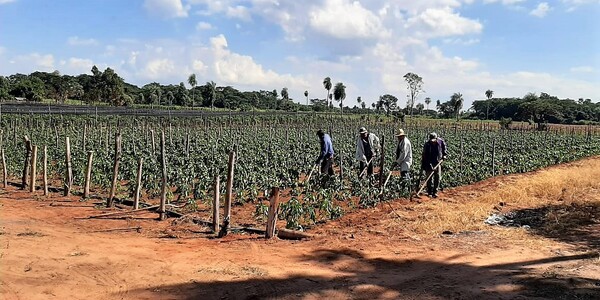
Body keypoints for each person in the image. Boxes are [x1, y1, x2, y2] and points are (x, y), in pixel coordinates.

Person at [421, 132, 447, 198]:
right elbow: (425, 156)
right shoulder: (427, 145)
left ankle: (435, 192)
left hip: (438, 162)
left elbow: (444, 148)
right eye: (431, 140)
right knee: (429, 178)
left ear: (436, 138)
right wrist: (430, 166)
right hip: (429, 162)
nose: (433, 142)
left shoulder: (440, 141)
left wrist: (444, 155)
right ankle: (429, 192)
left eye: (434, 140)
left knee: (437, 177)